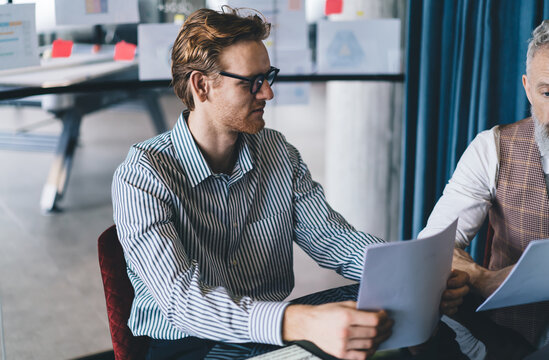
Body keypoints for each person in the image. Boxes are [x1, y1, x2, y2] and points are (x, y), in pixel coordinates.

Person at [112, 7, 468, 360]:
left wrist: (413, 278)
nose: (267, 93)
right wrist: (302, 321)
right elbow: (183, 303)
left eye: (269, 77)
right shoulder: (143, 174)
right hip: (189, 344)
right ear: (202, 85)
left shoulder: (278, 152)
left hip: (266, 332)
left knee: (391, 309)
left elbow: (333, 240)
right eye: (252, 82)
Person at [419, 19, 549, 360]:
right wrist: (478, 278)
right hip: (512, 341)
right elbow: (433, 247)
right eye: (547, 93)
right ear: (527, 88)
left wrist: (485, 280)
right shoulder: (493, 147)